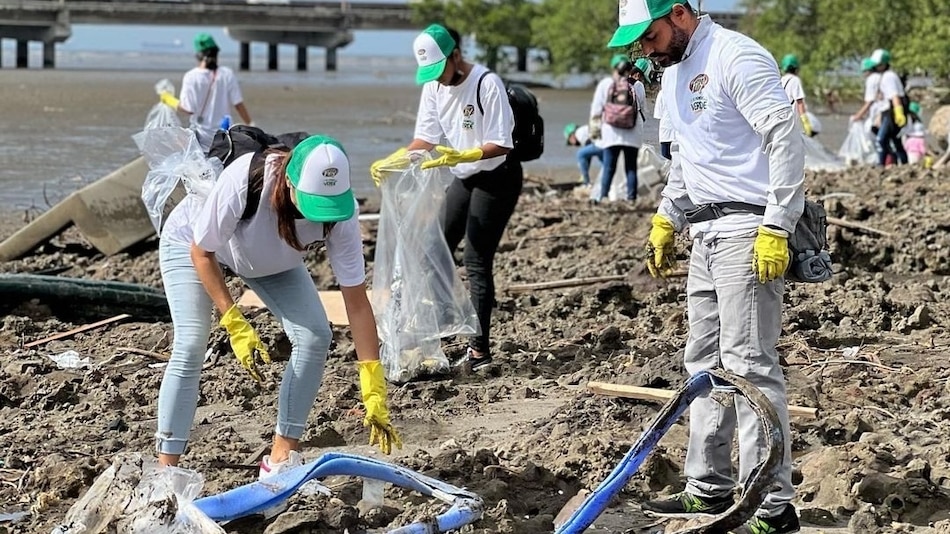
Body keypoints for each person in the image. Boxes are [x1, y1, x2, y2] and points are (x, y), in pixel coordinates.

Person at [609, 1, 804, 532]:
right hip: (705, 230)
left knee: (748, 366)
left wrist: (778, 225)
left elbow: (785, 139)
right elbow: (686, 162)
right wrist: (666, 219)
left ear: (679, 14)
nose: (643, 49)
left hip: (748, 230)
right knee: (703, 362)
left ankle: (773, 504)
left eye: (647, 35)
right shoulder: (672, 76)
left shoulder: (735, 57)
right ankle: (708, 487)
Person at [155, 135, 402, 507]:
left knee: (316, 335)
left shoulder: (342, 212)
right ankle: (165, 476)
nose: (321, 215)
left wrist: (372, 381)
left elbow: (357, 301)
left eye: (328, 207)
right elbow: (201, 251)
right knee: (191, 344)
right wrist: (234, 321)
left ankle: (281, 460)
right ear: (290, 181)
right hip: (196, 245)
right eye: (313, 204)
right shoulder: (247, 179)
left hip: (270, 262)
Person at [370, 23, 519, 371]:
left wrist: (465, 154)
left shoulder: (486, 83)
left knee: (476, 259)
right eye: (430, 73)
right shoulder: (434, 88)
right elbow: (425, 140)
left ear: (456, 54)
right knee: (430, 248)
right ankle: (453, 315)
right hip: (464, 176)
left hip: (498, 175)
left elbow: (503, 142)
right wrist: (394, 161)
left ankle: (480, 352)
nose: (437, 78)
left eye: (441, 69)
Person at [160, 33, 253, 152]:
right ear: (216, 53)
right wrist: (251, 125)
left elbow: (188, 109)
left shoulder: (191, 77)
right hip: (224, 139)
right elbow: (239, 104)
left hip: (201, 141)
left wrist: (168, 99)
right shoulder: (226, 74)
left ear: (198, 55)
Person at [590, 54, 647, 202]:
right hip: (632, 131)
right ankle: (632, 199)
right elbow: (642, 109)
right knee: (631, 167)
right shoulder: (637, 85)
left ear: (614, 68)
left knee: (609, 166)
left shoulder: (605, 84)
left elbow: (596, 110)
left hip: (611, 132)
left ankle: (603, 197)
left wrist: (595, 134)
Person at [867, 48, 908, 166]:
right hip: (887, 112)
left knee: (881, 140)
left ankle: (882, 165)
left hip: (891, 112)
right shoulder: (884, 76)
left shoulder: (889, 76)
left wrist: (899, 113)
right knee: (895, 141)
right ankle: (901, 163)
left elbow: (895, 96)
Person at [780, 54, 817, 137]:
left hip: (783, 121)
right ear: (796, 69)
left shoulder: (781, 80)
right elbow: (800, 102)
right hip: (793, 122)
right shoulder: (795, 80)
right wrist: (805, 122)